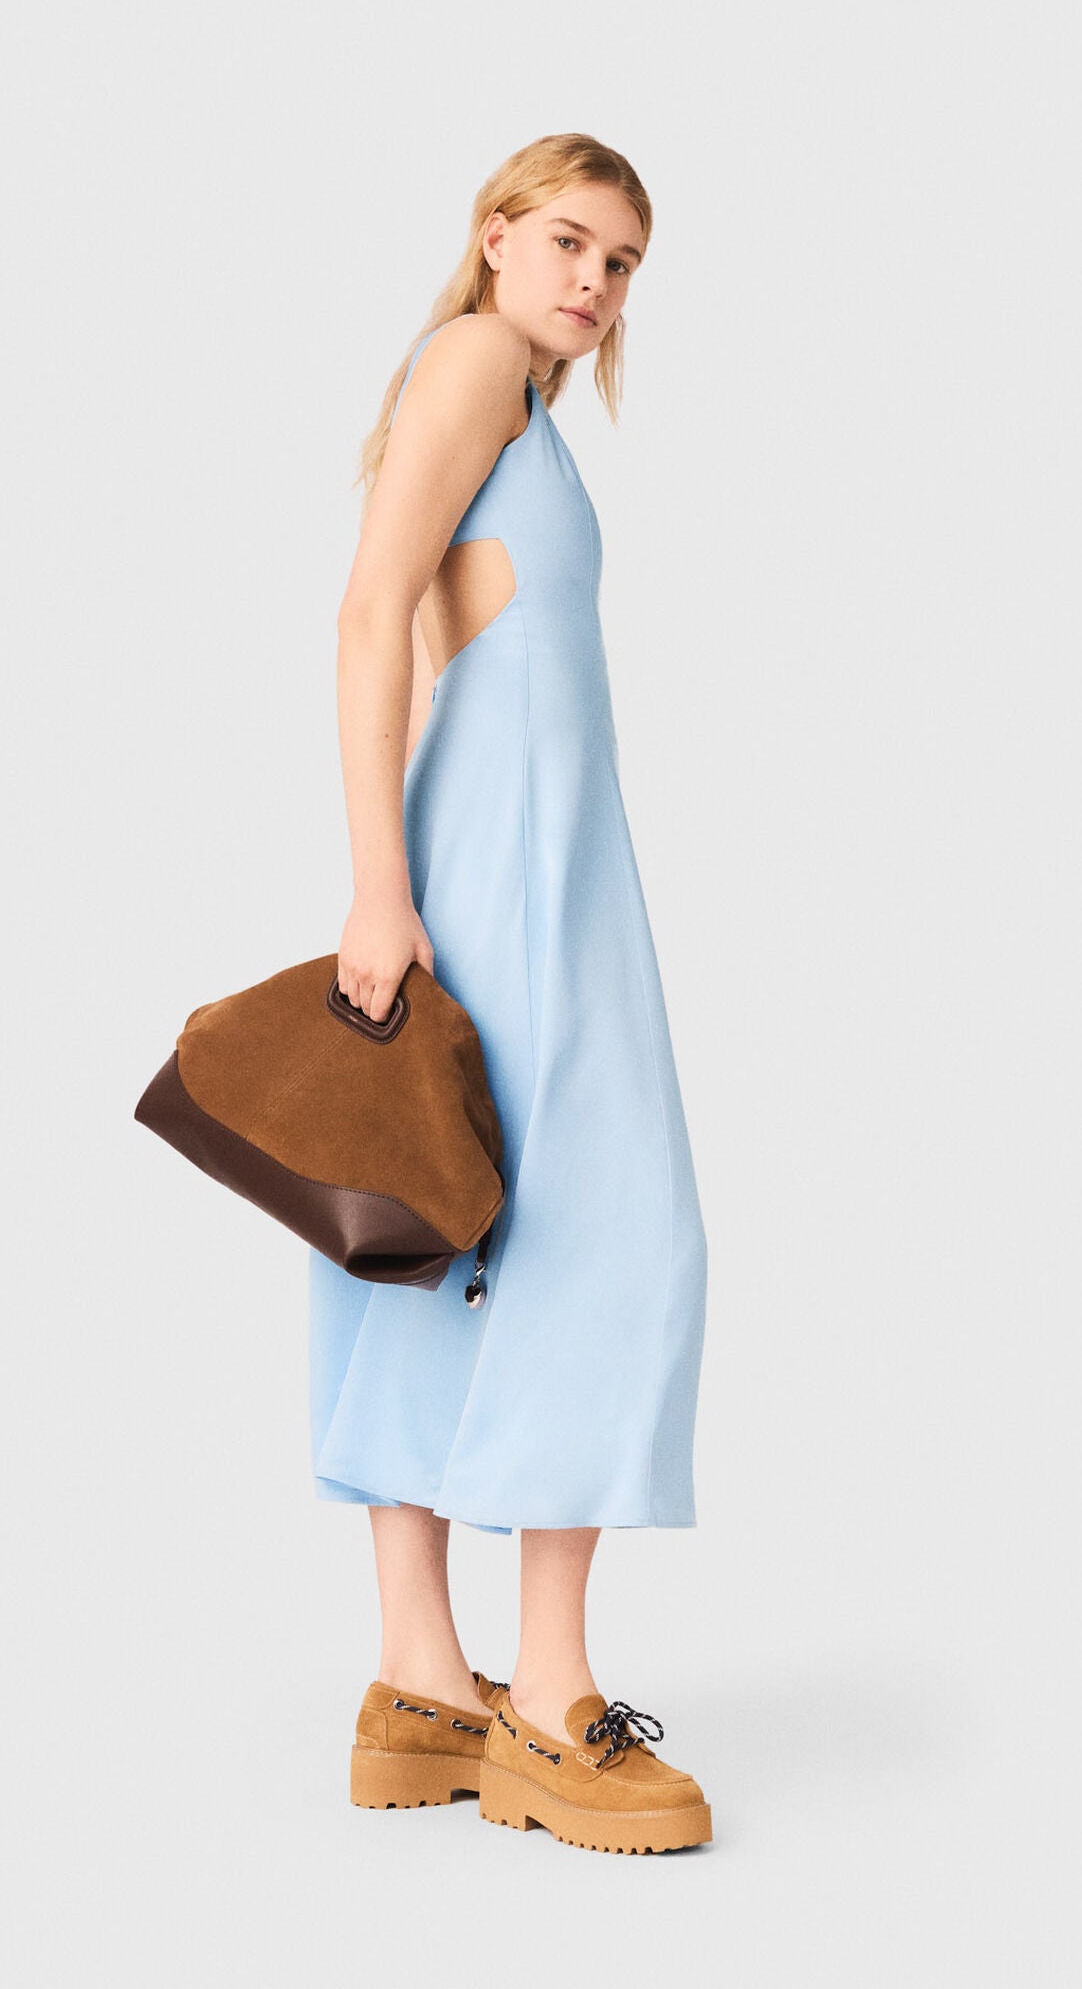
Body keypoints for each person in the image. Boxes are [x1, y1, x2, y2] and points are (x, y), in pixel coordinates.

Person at [310, 133, 712, 1854]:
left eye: (621, 263)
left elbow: (431, 644)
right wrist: (380, 888)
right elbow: (366, 616)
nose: (594, 282)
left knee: (448, 1227)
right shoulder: (475, 358)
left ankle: (422, 1682)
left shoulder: (518, 404)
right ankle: (547, 1699)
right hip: (506, 867)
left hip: (520, 855)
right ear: (494, 238)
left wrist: (410, 877)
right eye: (569, 241)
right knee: (604, 1236)